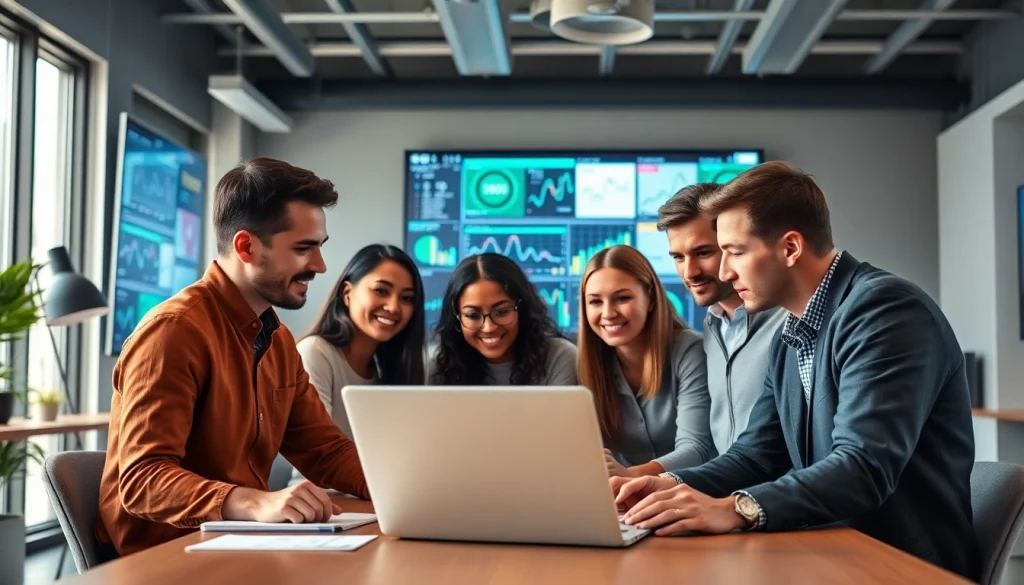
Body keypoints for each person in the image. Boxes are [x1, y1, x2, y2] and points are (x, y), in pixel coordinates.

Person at [612, 161, 980, 581]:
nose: (724, 272)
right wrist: (668, 486)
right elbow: (755, 455)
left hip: (899, 566)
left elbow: (862, 467)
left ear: (789, 248)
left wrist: (736, 508)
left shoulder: (884, 311)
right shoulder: (795, 329)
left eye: (734, 252)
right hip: (830, 551)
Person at [96, 157, 371, 558]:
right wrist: (254, 501)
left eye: (319, 248)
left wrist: (414, 490)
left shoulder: (276, 340)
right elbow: (142, 481)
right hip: (165, 559)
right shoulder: (173, 332)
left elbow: (324, 452)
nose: (319, 265)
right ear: (246, 246)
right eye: (303, 248)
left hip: (238, 546)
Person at [656, 183, 786, 455]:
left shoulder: (789, 321)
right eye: (678, 257)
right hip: (725, 493)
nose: (689, 272)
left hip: (776, 496)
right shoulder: (712, 326)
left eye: (703, 253)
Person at [577, 245, 712, 478]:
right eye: (596, 302)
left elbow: (696, 448)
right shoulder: (585, 363)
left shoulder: (689, 351)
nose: (608, 313)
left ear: (650, 300)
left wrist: (629, 475)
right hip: (621, 501)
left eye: (622, 298)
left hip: (687, 493)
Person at [298, 243, 426, 439]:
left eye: (407, 298)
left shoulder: (388, 368)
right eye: (381, 291)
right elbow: (313, 453)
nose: (394, 307)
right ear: (347, 293)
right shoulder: (315, 353)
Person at [430, 253, 577, 386]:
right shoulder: (438, 367)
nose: (489, 327)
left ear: (522, 309)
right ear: (456, 318)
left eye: (501, 312)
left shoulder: (559, 357)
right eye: (473, 316)